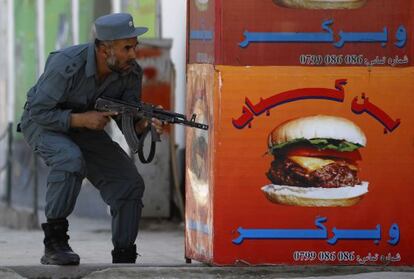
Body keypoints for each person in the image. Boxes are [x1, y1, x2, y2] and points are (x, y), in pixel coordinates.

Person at [19, 13, 164, 265]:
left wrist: (144, 125)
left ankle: (124, 256)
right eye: (126, 48)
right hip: (44, 125)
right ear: (103, 49)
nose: (133, 54)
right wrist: (79, 119)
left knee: (129, 183)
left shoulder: (130, 73)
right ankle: (54, 242)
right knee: (70, 160)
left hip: (87, 130)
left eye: (134, 46)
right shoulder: (67, 64)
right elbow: (38, 111)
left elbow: (126, 119)